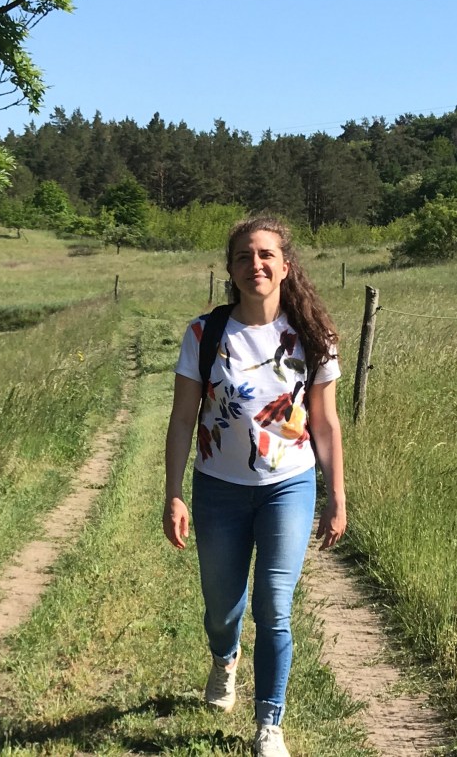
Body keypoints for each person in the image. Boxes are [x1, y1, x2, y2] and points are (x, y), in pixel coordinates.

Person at [163, 215, 346, 757]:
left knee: (274, 603)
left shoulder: (314, 336)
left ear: (286, 266)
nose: (255, 265)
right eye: (244, 256)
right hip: (218, 487)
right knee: (222, 607)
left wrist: (336, 494)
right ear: (230, 268)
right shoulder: (204, 334)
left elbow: (326, 423)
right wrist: (173, 492)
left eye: (266, 255)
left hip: (288, 486)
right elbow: (180, 420)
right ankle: (225, 656)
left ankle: (270, 724)